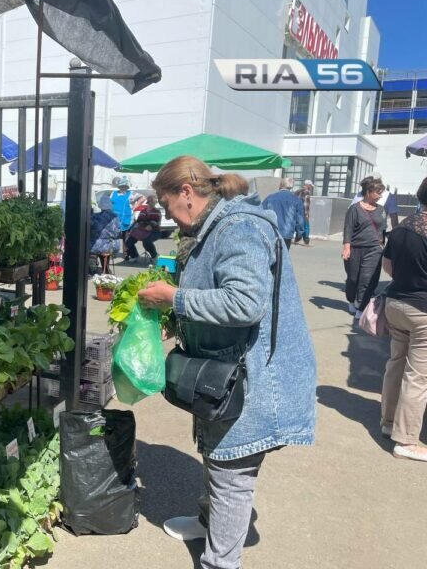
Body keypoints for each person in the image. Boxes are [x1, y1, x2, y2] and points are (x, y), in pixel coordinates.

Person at [136, 155, 316, 569]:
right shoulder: (214, 226)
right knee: (216, 453)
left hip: (254, 377)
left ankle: (221, 562)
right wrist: (175, 317)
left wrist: (174, 298)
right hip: (227, 371)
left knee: (231, 472)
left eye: (166, 205)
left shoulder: (239, 228)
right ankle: (207, 522)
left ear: (186, 192)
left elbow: (244, 302)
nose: (168, 216)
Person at [380, 177, 427, 462]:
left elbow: (388, 267)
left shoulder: (402, 228)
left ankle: (388, 423)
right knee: (418, 376)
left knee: (396, 364)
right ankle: (407, 440)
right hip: (423, 311)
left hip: (395, 303)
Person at [343, 177, 386, 318]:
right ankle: (351, 299)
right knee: (353, 279)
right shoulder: (354, 209)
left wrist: (382, 245)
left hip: (374, 249)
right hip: (355, 247)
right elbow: (348, 229)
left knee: (367, 279)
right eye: (378, 192)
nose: (380, 196)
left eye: (381, 193)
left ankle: (361, 308)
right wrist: (346, 247)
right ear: (368, 192)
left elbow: (382, 229)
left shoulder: (381, 210)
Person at [261, 178, 304, 250]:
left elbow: (261, 214)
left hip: (271, 232)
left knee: (271, 256)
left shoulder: (269, 198)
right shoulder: (296, 200)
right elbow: (299, 219)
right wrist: (299, 234)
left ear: (280, 185)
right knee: (284, 257)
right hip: (287, 233)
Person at [124, 194, 162, 262]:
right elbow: (139, 220)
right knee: (128, 242)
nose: (152, 203)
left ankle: (155, 256)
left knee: (146, 242)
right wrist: (142, 225)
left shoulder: (157, 211)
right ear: (148, 202)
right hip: (142, 230)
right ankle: (134, 256)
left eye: (153, 202)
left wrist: (149, 225)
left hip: (154, 231)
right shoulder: (143, 211)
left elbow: (155, 221)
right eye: (151, 202)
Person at [90, 196, 122, 273]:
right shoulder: (115, 217)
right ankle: (105, 267)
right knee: (103, 246)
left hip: (97, 246)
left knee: (92, 246)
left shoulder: (96, 216)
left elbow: (91, 227)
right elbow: (118, 232)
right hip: (112, 245)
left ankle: (92, 269)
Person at [110, 176, 134, 255]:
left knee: (126, 238)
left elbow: (142, 198)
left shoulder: (130, 194)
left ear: (127, 187)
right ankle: (113, 253)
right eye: (122, 186)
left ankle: (126, 254)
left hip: (126, 219)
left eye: (125, 187)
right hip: (114, 219)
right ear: (119, 186)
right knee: (113, 237)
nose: (123, 188)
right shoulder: (113, 193)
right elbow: (109, 203)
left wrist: (135, 206)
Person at [295, 180, 313, 245]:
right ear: (308, 185)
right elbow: (306, 204)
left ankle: (297, 238)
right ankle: (306, 239)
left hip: (297, 211)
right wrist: (306, 214)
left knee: (299, 224)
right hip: (303, 211)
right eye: (310, 186)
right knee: (306, 225)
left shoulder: (298, 191)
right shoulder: (307, 192)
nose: (311, 187)